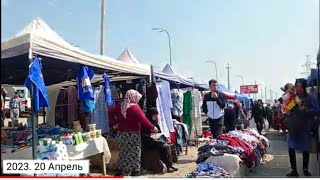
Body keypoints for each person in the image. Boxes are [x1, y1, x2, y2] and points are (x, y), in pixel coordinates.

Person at [109, 90, 158, 176]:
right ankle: (135, 171)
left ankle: (122, 171)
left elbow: (110, 112)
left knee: (123, 153)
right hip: (132, 135)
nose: (138, 100)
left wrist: (113, 124)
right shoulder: (135, 108)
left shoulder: (121, 106)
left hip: (121, 135)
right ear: (133, 97)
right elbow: (144, 120)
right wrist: (153, 127)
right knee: (134, 153)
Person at [284, 79, 319, 177]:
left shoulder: (310, 98)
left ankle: (305, 169)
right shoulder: (292, 98)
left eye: (300, 86)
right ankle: (294, 170)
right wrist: (287, 112)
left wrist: (306, 110)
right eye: (297, 86)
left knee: (305, 148)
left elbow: (316, 110)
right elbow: (286, 109)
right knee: (291, 147)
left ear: (304, 87)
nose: (298, 88)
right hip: (293, 126)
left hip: (304, 127)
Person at [141, 107, 178, 173]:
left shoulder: (155, 123)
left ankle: (169, 165)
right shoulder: (146, 124)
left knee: (169, 145)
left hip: (156, 140)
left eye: (157, 115)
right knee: (165, 147)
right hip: (148, 142)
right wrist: (152, 137)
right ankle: (168, 166)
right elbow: (144, 135)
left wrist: (165, 138)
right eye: (154, 115)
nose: (156, 116)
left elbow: (160, 132)